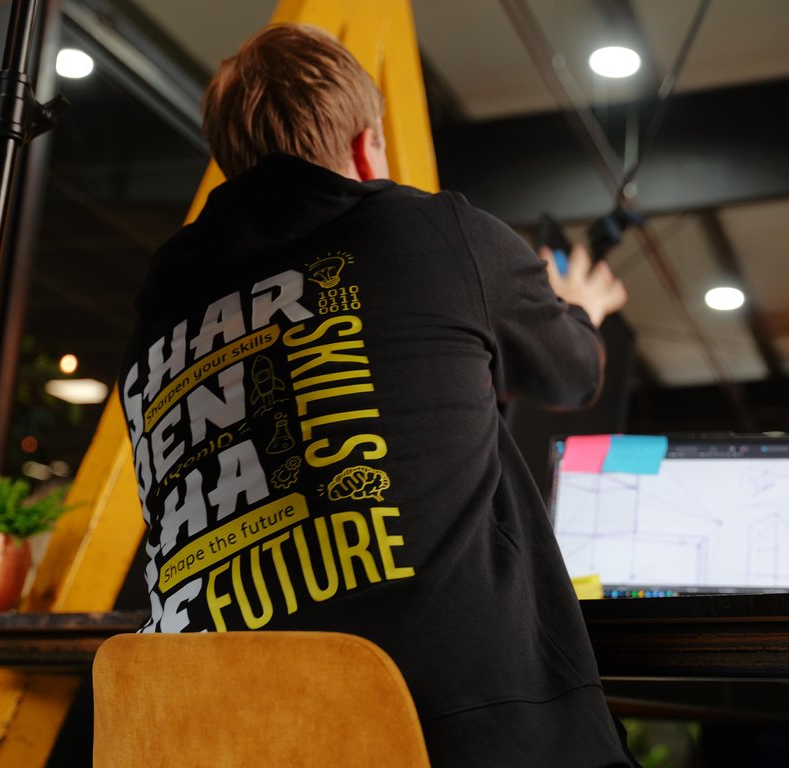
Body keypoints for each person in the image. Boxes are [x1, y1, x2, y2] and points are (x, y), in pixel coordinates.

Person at [117, 23, 633, 767]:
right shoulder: (433, 233)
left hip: (221, 742)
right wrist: (578, 307)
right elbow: (572, 372)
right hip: (456, 740)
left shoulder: (149, 333)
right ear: (366, 149)